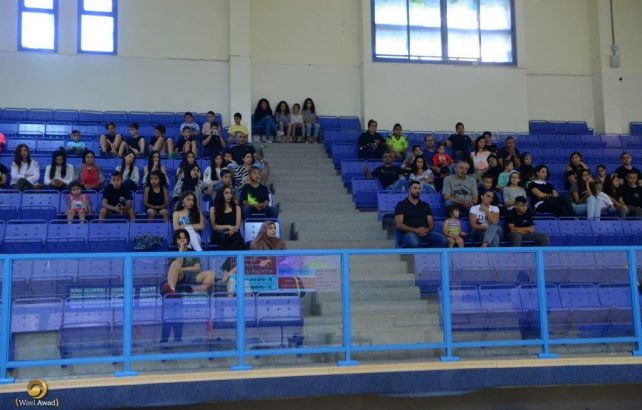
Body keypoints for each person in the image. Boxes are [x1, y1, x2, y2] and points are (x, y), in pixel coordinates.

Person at [394, 181, 448, 248]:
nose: (418, 190)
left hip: (425, 233)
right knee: (414, 242)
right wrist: (415, 230)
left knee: (443, 240)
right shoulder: (401, 205)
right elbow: (399, 225)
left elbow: (431, 224)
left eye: (419, 188)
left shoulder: (425, 205)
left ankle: (428, 253)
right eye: (415, 188)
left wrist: (426, 230)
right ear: (409, 190)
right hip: (409, 233)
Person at [162, 229, 215, 295]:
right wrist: (181, 250)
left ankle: (198, 291)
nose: (182, 240)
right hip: (179, 276)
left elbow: (197, 268)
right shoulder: (172, 253)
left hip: (193, 276)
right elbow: (176, 266)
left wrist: (181, 269)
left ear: (187, 240)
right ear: (176, 240)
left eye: (184, 238)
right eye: (180, 238)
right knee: (175, 264)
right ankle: (171, 291)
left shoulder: (193, 252)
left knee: (211, 273)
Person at [209, 186, 244, 250]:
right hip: (220, 234)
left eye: (230, 193)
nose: (229, 195)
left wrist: (231, 231)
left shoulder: (237, 208)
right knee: (225, 238)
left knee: (238, 241)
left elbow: (237, 226)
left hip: (234, 233)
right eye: (226, 193)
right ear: (221, 195)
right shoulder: (213, 209)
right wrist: (228, 226)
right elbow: (215, 227)